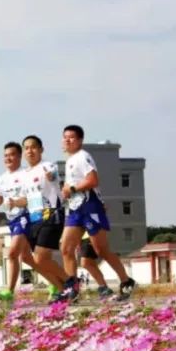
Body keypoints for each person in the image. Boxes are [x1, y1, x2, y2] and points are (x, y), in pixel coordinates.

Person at [57, 125, 135, 301]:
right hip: (75, 209)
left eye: (71, 137)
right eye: (65, 137)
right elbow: (73, 185)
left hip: (90, 206)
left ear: (80, 140)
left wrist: (74, 187)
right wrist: (67, 190)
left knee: (101, 249)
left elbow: (93, 180)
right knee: (66, 248)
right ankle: (72, 289)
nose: (67, 140)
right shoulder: (69, 160)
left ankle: (126, 281)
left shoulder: (83, 156)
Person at [0, 141, 68, 303]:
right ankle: (56, 284)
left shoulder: (25, 173)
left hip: (26, 217)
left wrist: (51, 178)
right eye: (5, 156)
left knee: (12, 254)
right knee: (28, 258)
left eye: (12, 155)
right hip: (12, 219)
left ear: (19, 156)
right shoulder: (2, 178)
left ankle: (9, 291)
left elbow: (32, 197)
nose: (8, 158)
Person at [21, 135, 80, 302]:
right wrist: (9, 202)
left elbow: (53, 175)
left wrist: (51, 176)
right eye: (26, 148)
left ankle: (71, 282)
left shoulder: (48, 166)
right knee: (38, 261)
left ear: (40, 149)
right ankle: (64, 291)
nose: (29, 151)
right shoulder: (25, 174)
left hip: (51, 214)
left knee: (40, 257)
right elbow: (26, 199)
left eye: (33, 147)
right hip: (34, 218)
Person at [79, 234, 117, 299]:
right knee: (91, 263)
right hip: (82, 237)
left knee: (85, 263)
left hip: (90, 234)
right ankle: (104, 287)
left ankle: (103, 287)